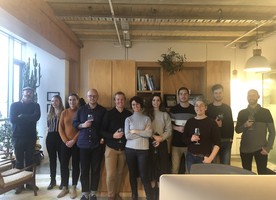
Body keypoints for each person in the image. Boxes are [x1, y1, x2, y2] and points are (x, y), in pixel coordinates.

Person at [72, 89, 106, 200]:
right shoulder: (81, 110)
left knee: (96, 169)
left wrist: (102, 138)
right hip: (83, 145)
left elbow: (105, 127)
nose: (92, 98)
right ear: (87, 97)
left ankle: (93, 193)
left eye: (94, 96)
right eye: (90, 96)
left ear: (97, 97)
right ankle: (85, 193)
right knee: (84, 169)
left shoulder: (103, 110)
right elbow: (75, 124)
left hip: (97, 145)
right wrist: (83, 125)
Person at [235, 89, 275, 174]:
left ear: (258, 97)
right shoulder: (242, 113)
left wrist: (268, 148)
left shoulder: (266, 112)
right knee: (246, 174)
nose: (251, 97)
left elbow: (272, 132)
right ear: (247, 97)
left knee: (262, 173)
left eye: (253, 95)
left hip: (261, 149)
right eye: (249, 95)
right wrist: (245, 125)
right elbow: (237, 130)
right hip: (245, 149)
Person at [9, 86, 41, 194]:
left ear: (32, 94)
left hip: (30, 137)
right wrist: (28, 117)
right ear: (22, 92)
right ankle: (19, 184)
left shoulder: (36, 106)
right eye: (27, 91)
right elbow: (13, 119)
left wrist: (22, 116)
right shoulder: (14, 105)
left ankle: (29, 183)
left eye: (31, 92)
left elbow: (36, 117)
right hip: (17, 136)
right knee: (18, 161)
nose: (28, 93)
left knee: (29, 160)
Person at [102, 91, 132, 200]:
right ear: (114, 101)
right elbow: (102, 131)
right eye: (118, 99)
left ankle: (117, 194)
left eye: (122, 99)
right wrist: (112, 135)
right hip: (111, 149)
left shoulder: (129, 114)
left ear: (124, 101)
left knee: (120, 174)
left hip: (124, 149)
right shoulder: (108, 114)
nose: (120, 101)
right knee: (111, 175)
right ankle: (110, 196)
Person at [125, 96, 153, 200]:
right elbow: (127, 136)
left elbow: (149, 134)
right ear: (131, 106)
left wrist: (136, 131)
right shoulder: (128, 119)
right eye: (133, 104)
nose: (135, 106)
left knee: (144, 175)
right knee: (132, 174)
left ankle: (149, 197)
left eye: (137, 104)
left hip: (143, 150)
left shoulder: (147, 118)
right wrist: (143, 132)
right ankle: (134, 196)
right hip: (130, 150)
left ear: (141, 105)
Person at [182, 97, 221, 173]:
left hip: (205, 158)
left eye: (201, 105)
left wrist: (210, 158)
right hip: (190, 157)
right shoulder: (189, 122)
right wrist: (191, 139)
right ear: (194, 108)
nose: (199, 107)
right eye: (196, 105)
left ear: (205, 108)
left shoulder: (212, 123)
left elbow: (217, 143)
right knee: (192, 182)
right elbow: (184, 139)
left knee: (204, 182)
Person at [144, 94, 172, 200]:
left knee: (162, 169)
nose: (156, 102)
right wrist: (153, 137)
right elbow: (144, 128)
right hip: (149, 143)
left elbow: (169, 130)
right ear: (151, 102)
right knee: (151, 169)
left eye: (158, 100)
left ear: (160, 102)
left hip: (162, 144)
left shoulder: (165, 115)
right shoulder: (146, 114)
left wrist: (161, 138)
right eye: (154, 100)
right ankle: (152, 197)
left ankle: (161, 196)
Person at [58, 93, 80, 199]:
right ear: (68, 101)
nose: (72, 102)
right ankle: (65, 187)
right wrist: (66, 141)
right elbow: (60, 128)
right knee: (63, 165)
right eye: (70, 100)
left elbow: (82, 129)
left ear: (77, 100)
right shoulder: (64, 112)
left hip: (77, 143)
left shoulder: (81, 112)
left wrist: (73, 140)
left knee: (76, 165)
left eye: (74, 100)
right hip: (65, 143)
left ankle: (74, 187)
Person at [206, 84, 234, 164]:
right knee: (213, 165)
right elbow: (205, 124)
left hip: (226, 140)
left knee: (226, 165)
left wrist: (231, 138)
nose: (218, 95)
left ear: (223, 93)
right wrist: (215, 125)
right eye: (216, 93)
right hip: (212, 140)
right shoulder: (208, 108)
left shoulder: (227, 108)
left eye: (220, 92)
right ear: (213, 94)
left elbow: (230, 124)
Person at [170, 87, 196, 174]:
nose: (183, 96)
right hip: (176, 144)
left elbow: (197, 125)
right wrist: (177, 128)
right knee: (175, 169)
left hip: (190, 145)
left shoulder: (194, 109)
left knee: (189, 170)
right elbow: (169, 125)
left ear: (188, 95)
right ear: (178, 96)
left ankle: (188, 187)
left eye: (185, 94)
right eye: (181, 94)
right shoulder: (173, 110)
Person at [46, 95, 64, 190]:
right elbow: (48, 127)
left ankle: (63, 181)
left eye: (56, 101)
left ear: (60, 102)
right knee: (52, 160)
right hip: (50, 138)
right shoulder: (49, 114)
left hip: (60, 137)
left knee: (62, 160)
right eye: (52, 101)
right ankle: (52, 180)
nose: (54, 103)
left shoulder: (64, 112)